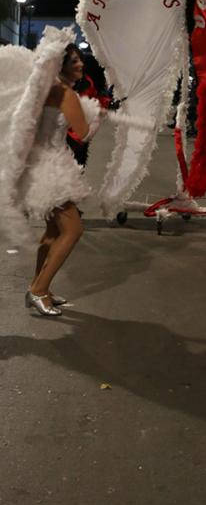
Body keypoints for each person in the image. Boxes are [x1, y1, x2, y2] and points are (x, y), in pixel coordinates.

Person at [21, 41, 102, 317]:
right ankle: (39, 290)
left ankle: (38, 285)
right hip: (54, 168)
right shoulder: (66, 93)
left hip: (39, 164)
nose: (81, 64)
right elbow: (83, 134)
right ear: (61, 66)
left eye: (80, 59)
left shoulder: (45, 89)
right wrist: (97, 117)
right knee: (73, 230)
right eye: (74, 61)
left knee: (52, 232)